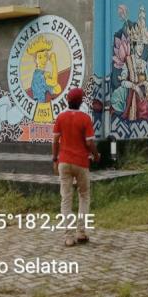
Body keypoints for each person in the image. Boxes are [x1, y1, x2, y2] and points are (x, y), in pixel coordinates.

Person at [52, 88, 100, 247]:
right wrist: (96, 154)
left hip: (64, 162)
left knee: (66, 198)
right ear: (81, 102)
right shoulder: (85, 118)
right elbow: (89, 142)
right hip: (81, 162)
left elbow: (55, 141)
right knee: (84, 195)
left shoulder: (60, 117)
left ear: (67, 101)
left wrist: (55, 159)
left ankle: (68, 237)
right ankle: (81, 232)